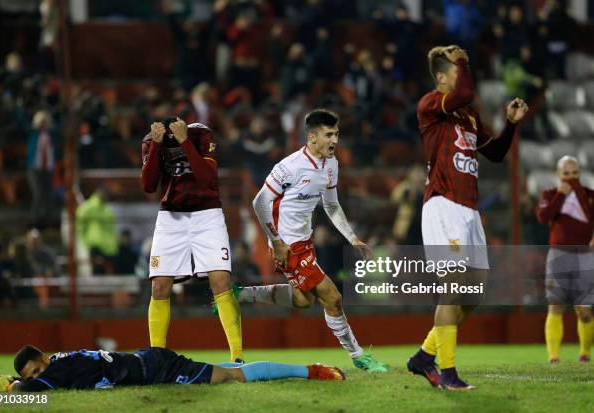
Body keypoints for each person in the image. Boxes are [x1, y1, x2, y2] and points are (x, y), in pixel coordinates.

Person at [406, 45, 528, 390]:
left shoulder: (469, 115)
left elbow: (496, 153)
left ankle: (423, 357)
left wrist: (510, 125)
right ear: (442, 78)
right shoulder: (431, 105)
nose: (462, 79)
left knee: (473, 295)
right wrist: (463, 61)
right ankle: (448, 375)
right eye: (456, 72)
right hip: (443, 204)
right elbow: (466, 91)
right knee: (453, 290)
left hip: (469, 211)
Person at [245, 109, 388, 373]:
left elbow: (331, 206)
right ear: (312, 137)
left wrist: (353, 237)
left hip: (304, 240)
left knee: (303, 301)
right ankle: (359, 357)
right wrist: (276, 241)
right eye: (329, 135)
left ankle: (242, 293)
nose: (334, 140)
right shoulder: (289, 166)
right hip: (287, 244)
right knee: (332, 297)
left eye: (337, 134)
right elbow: (260, 202)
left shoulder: (331, 165)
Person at [141, 117, 243, 362]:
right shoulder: (150, 140)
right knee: (159, 286)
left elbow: (208, 178)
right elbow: (148, 185)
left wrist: (185, 141)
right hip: (170, 217)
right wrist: (156, 145)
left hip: (207, 215)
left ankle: (237, 357)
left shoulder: (201, 135)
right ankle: (158, 357)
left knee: (221, 282)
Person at [0, 345, 344, 392]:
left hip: (156, 369)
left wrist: (7, 391)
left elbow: (28, 395)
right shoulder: (62, 361)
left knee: (233, 376)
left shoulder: (57, 371)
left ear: (45, 362)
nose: (37, 378)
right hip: (148, 361)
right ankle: (310, 369)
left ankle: (311, 371)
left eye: (36, 371)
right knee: (223, 369)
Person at [536, 156, 593, 364]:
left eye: (574, 174)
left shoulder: (588, 195)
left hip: (585, 256)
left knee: (584, 310)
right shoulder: (550, 194)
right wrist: (560, 195)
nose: (571, 178)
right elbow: (542, 217)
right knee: (556, 306)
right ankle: (553, 357)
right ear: (558, 175)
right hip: (558, 255)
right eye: (566, 174)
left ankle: (585, 354)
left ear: (580, 174)